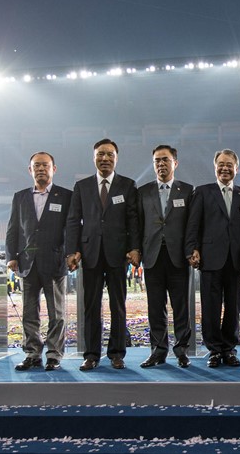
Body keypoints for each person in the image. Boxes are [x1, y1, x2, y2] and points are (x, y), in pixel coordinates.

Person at [66, 138, 141, 371]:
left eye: (110, 154)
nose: (105, 158)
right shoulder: (82, 186)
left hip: (118, 254)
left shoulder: (128, 185)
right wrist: (72, 251)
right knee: (91, 307)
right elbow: (73, 221)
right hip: (90, 254)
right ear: (94, 158)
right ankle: (91, 355)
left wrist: (135, 248)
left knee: (118, 306)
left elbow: (133, 220)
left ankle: (117, 353)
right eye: (100, 154)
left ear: (116, 158)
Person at [6, 152, 72, 371]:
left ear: (54, 169)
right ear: (30, 170)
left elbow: (72, 229)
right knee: (29, 313)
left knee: (57, 314)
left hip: (55, 262)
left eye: (45, 165)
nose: (41, 169)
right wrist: (11, 256)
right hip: (28, 263)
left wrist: (71, 253)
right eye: (37, 166)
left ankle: (54, 354)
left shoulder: (66, 196)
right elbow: (13, 229)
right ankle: (32, 353)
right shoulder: (20, 197)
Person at [187, 149, 240, 368]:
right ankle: (214, 350)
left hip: (235, 261)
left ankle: (229, 349)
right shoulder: (203, 192)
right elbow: (193, 225)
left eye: (229, 165)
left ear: (236, 168)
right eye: (221, 164)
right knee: (211, 308)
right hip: (210, 259)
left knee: (233, 308)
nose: (225, 168)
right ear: (215, 167)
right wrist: (192, 249)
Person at [137, 145, 194, 369]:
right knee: (155, 307)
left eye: (165, 160)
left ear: (175, 163)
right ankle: (158, 351)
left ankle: (181, 351)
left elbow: (192, 225)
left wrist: (192, 249)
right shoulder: (143, 192)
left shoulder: (187, 191)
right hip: (152, 256)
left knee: (181, 307)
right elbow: (137, 224)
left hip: (178, 257)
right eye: (157, 161)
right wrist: (136, 250)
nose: (161, 164)